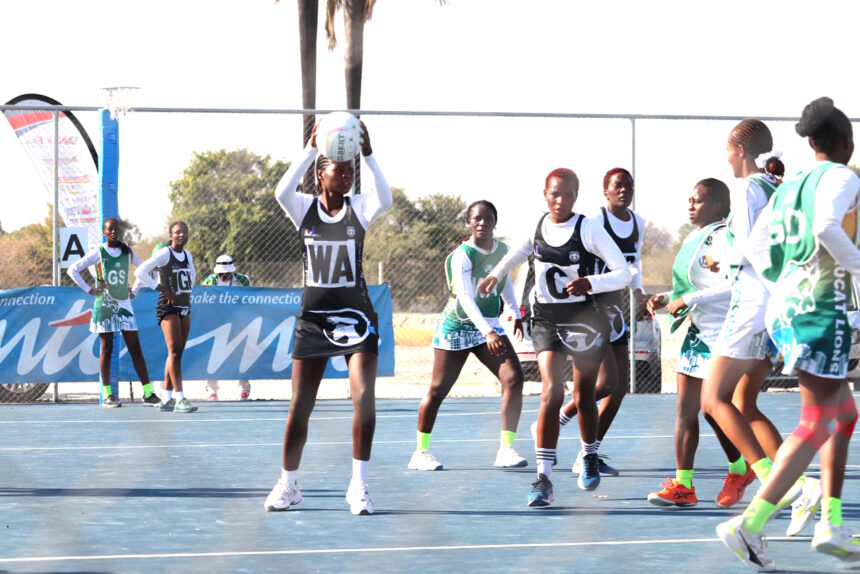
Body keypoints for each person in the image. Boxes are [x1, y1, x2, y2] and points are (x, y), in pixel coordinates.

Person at [717, 97, 860, 569]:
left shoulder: (791, 183)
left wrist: (786, 287)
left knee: (843, 414)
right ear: (846, 140)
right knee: (817, 421)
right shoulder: (842, 177)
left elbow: (756, 246)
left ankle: (831, 523)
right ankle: (749, 524)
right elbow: (826, 227)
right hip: (819, 309)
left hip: (789, 308)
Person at [478, 167, 631, 507]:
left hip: (584, 320)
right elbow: (514, 255)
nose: (559, 200)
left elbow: (624, 272)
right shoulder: (536, 228)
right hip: (547, 319)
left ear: (576, 196)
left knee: (585, 393)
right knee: (550, 391)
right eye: (554, 194)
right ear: (545, 195)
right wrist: (495, 276)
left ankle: (588, 455)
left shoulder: (588, 229)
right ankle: (544, 478)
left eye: (566, 194)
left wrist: (592, 283)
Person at [264, 119, 392, 515]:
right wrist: (311, 147)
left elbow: (386, 197)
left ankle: (359, 485)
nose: (348, 174)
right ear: (321, 175)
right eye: (340, 169)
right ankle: (288, 485)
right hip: (315, 320)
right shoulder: (304, 208)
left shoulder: (360, 208)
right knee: (300, 407)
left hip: (357, 317)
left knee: (364, 398)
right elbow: (280, 190)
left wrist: (368, 154)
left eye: (351, 169)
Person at [700, 118, 821, 531]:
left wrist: (719, 257)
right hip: (774, 302)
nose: (726, 158)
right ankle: (799, 484)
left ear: (740, 150)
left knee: (712, 399)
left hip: (752, 302)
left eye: (728, 150)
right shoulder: (775, 185)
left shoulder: (748, 187)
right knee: (744, 401)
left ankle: (776, 481)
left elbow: (751, 249)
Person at [645, 179, 755, 508]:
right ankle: (684, 485)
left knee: (712, 409)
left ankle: (742, 469)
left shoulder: (723, 237)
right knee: (685, 410)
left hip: (722, 334)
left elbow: (735, 284)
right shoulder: (693, 238)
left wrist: (689, 299)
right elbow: (694, 287)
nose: (691, 205)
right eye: (690, 200)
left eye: (698, 200)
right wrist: (667, 297)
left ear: (718, 205)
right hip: (697, 334)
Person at [408, 200, 527, 471]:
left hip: (487, 325)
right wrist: (488, 332)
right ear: (469, 223)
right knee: (438, 390)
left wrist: (514, 312)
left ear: (495, 221)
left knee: (513, 378)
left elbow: (504, 283)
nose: (482, 223)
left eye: (487, 218)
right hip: (457, 326)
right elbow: (464, 297)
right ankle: (420, 452)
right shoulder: (462, 255)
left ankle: (506, 449)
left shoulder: (503, 251)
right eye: (477, 218)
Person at [549, 167, 646, 478]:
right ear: (606, 191)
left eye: (628, 185)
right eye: (617, 185)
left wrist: (639, 294)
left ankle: (586, 454)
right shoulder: (595, 222)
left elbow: (634, 263)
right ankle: (559, 419)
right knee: (604, 384)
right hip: (592, 308)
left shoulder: (638, 223)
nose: (624, 189)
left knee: (619, 389)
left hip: (616, 308)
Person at [67, 218, 159, 407]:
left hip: (124, 304)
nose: (113, 232)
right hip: (105, 305)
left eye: (116, 229)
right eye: (109, 229)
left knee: (135, 349)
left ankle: (148, 393)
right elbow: (73, 270)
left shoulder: (127, 252)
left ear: (119, 231)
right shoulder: (99, 252)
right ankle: (108, 395)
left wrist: (135, 290)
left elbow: (144, 270)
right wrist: (90, 289)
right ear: (104, 232)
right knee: (106, 348)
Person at [134, 221, 198, 414]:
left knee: (176, 354)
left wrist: (185, 293)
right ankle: (180, 398)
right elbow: (140, 271)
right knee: (175, 351)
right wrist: (162, 288)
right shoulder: (165, 254)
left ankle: (167, 398)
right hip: (168, 306)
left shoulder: (187, 255)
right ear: (171, 235)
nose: (181, 235)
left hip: (184, 305)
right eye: (177, 232)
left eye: (184, 232)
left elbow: (192, 275)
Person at [202, 254, 252, 400]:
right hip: (216, 323)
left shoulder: (243, 280)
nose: (224, 275)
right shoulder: (210, 280)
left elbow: (250, 299)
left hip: (238, 322)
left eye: (227, 272)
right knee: (212, 355)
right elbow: (203, 300)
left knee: (241, 354)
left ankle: (244, 387)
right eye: (221, 273)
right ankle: (212, 389)